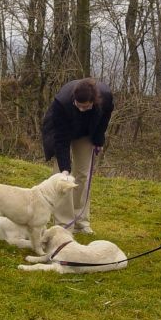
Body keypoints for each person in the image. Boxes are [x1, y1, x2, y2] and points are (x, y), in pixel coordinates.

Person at [42, 78, 114, 234]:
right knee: (62, 178)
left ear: (94, 102)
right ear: (74, 100)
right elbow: (60, 139)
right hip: (64, 130)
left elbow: (103, 121)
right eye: (78, 106)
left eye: (86, 107)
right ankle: (64, 224)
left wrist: (98, 140)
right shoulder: (62, 103)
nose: (81, 109)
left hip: (87, 132)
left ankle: (80, 220)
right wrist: (65, 169)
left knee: (83, 174)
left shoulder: (105, 98)